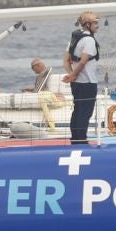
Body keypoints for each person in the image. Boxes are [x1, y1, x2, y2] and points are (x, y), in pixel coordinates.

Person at [64, 11, 102, 144]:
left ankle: (75, 138)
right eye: (95, 22)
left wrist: (71, 74)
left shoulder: (74, 39)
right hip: (88, 82)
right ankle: (81, 139)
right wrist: (73, 75)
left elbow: (66, 59)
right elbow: (83, 61)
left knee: (77, 110)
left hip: (77, 83)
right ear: (87, 24)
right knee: (85, 112)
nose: (97, 25)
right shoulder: (89, 40)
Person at [28, 57, 63, 131]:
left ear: (38, 66)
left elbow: (38, 90)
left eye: (33, 68)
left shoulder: (43, 75)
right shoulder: (46, 72)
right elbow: (40, 88)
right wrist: (30, 89)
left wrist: (30, 92)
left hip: (44, 96)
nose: (33, 70)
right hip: (44, 93)